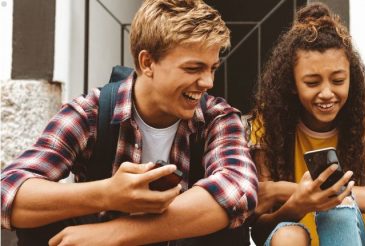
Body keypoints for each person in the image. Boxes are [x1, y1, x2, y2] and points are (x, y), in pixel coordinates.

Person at [0, 0, 258, 245]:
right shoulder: (90, 113)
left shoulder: (218, 118)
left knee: (228, 224)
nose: (208, 82)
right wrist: (107, 194)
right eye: (193, 69)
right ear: (147, 63)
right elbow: (7, 192)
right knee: (39, 222)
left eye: (212, 68)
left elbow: (238, 190)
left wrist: (115, 233)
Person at [247, 3, 365, 246]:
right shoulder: (267, 120)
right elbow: (258, 227)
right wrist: (298, 203)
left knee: (337, 208)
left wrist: (280, 189)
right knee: (287, 235)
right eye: (312, 83)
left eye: (337, 80)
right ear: (292, 83)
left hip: (348, 234)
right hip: (291, 235)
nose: (327, 93)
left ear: (351, 78)